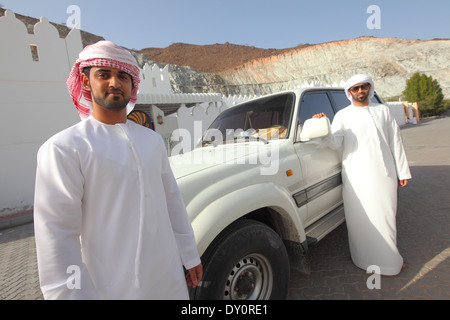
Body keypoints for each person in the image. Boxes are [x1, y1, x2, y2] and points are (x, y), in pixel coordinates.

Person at [34, 40, 202, 299]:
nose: (115, 82)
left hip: (167, 279)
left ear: (133, 85)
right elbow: (57, 237)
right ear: (86, 81)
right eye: (104, 74)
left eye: (123, 76)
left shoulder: (152, 141)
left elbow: (172, 201)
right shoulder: (64, 148)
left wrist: (189, 255)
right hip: (111, 286)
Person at [313, 74, 411, 276]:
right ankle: (363, 259)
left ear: (369, 88)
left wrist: (402, 170)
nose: (360, 91)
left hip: (385, 175)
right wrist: (323, 126)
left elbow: (395, 142)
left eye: (363, 87)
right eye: (355, 88)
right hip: (357, 178)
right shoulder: (343, 116)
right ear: (349, 92)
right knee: (361, 219)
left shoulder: (383, 111)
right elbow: (333, 143)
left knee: (385, 218)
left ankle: (390, 261)